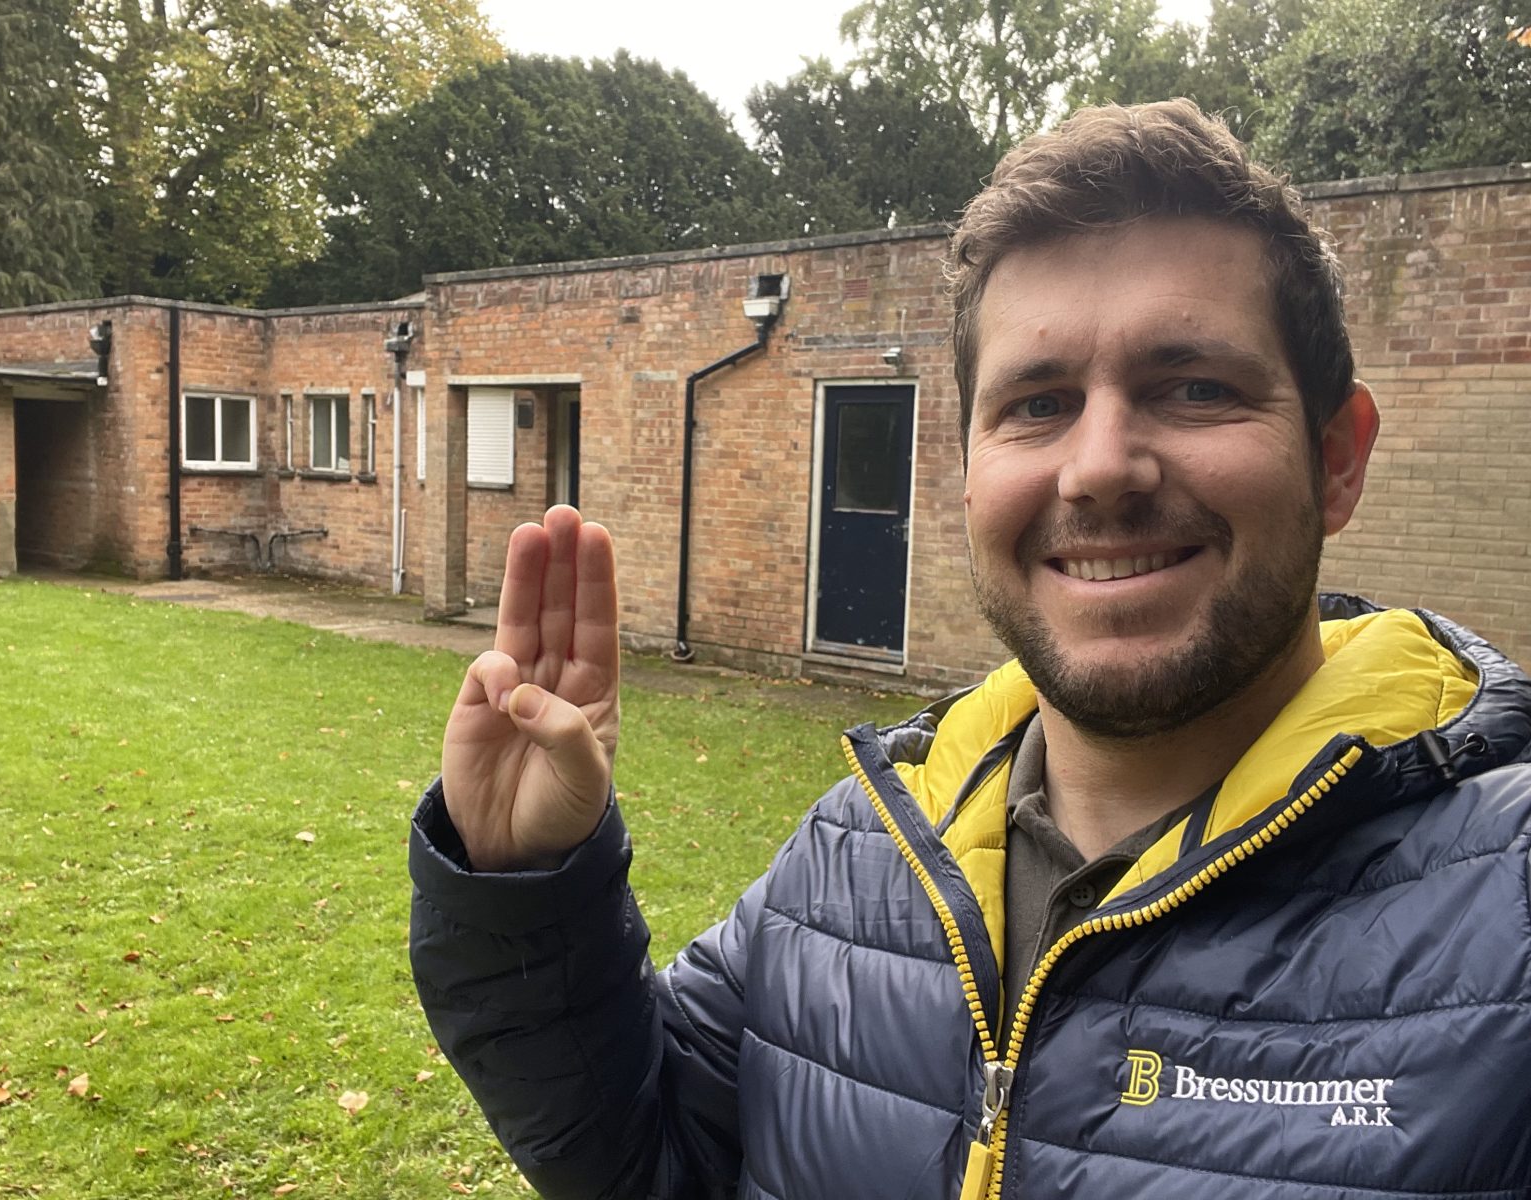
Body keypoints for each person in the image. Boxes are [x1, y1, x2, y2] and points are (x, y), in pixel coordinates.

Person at [407, 99, 1531, 1198]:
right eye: (1037, 405)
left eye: (1192, 388)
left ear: (1336, 457)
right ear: (966, 472)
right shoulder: (864, 848)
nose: (1097, 466)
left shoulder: (1503, 915)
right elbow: (656, 1156)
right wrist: (523, 892)